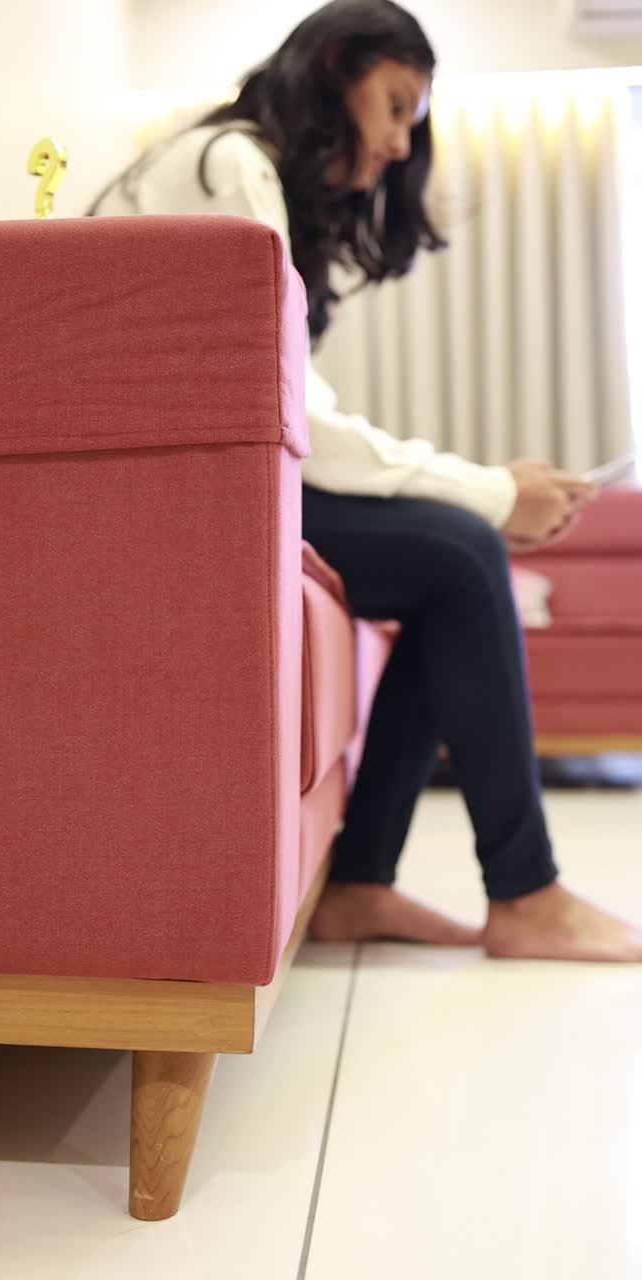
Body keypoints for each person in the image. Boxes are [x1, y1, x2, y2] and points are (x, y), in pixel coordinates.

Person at [88, 0, 642, 962]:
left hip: (202, 481)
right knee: (462, 553)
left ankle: (362, 885)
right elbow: (291, 415)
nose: (397, 144)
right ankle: (524, 893)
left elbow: (282, 404)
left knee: (453, 564)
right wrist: (491, 491)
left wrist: (482, 494)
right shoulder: (228, 164)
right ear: (334, 68)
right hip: (184, 497)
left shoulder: (230, 169)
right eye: (394, 107)